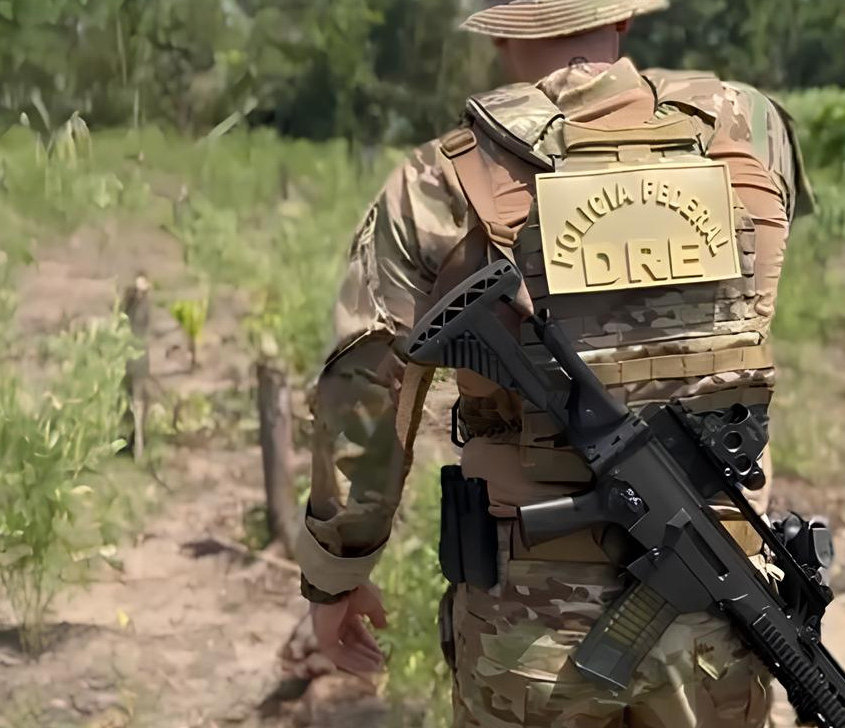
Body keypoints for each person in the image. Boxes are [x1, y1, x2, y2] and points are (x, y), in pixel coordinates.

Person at [293, 1, 809, 725]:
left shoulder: (438, 182)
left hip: (531, 625)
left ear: (504, 34)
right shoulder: (752, 127)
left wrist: (337, 575)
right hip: (717, 621)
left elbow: (368, 392)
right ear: (623, 22)